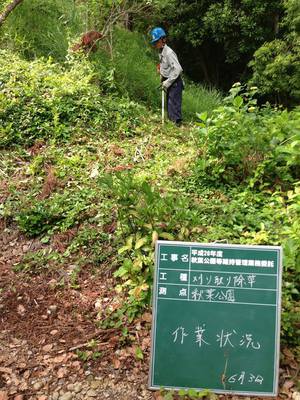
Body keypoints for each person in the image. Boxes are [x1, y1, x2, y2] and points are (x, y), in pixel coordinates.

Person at [150, 27, 184, 126]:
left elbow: (177, 69)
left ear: (163, 40)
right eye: (154, 42)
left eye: (157, 41)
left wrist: (167, 82)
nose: (155, 44)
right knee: (169, 106)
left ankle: (177, 128)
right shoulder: (161, 51)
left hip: (175, 83)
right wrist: (161, 72)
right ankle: (171, 126)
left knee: (174, 107)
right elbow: (165, 65)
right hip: (168, 81)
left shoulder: (169, 53)